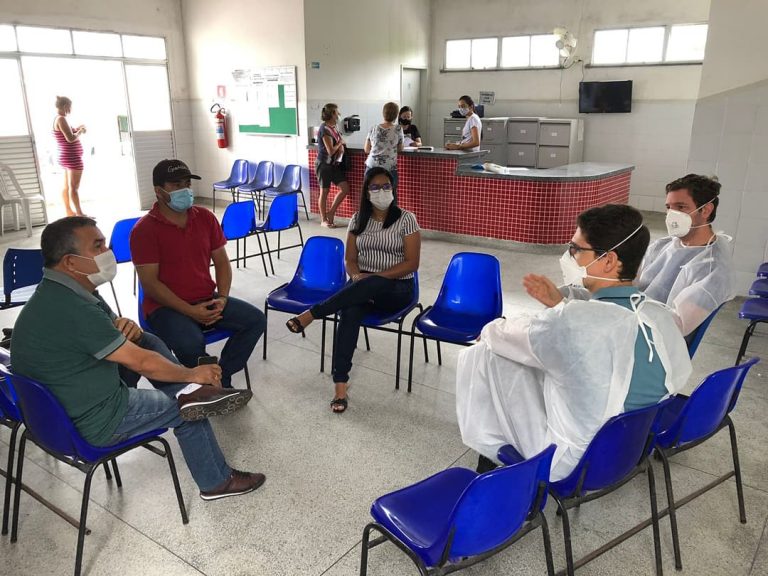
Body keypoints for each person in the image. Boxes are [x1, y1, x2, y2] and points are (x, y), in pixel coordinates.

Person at [11, 216, 266, 500]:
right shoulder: (73, 307)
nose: (107, 252)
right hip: (93, 421)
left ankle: (191, 390)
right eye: (98, 246)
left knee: (145, 339)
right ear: (71, 262)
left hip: (53, 415)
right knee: (186, 411)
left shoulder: (62, 292)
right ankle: (216, 482)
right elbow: (140, 363)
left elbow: (112, 332)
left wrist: (127, 326)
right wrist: (191, 373)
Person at [456, 205, 692, 480]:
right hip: (629, 450)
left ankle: (492, 463)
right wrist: (561, 306)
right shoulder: (661, 315)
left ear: (608, 260)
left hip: (574, 464)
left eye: (576, 249)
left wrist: (491, 329)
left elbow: (503, 334)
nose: (569, 256)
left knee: (486, 354)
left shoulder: (572, 322)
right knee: (540, 362)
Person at [529, 174, 735, 339]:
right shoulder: (664, 246)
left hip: (649, 341)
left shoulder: (713, 268)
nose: (672, 215)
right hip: (629, 319)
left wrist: (592, 313)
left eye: (681, 207)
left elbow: (675, 326)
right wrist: (573, 294)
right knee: (562, 304)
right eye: (668, 208)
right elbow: (624, 285)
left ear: (705, 210)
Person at [284, 167, 421, 413]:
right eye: (375, 187)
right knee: (350, 312)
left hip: (397, 288)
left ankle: (312, 314)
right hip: (362, 286)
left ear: (393, 189)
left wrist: (373, 278)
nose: (381, 191)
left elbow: (412, 263)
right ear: (367, 192)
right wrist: (357, 277)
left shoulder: (406, 219)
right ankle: (340, 386)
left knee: (371, 284)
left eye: (386, 186)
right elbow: (350, 259)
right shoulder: (358, 219)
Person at [130, 159, 266, 389]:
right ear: (159, 191)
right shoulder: (144, 230)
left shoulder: (204, 218)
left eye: (187, 184)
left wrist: (222, 298)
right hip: (166, 308)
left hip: (206, 298)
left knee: (255, 320)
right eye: (176, 185)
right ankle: (207, 386)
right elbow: (150, 284)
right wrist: (190, 311)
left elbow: (222, 262)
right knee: (190, 343)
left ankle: (220, 378)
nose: (184, 190)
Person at [316, 103, 350, 228]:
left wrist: (341, 143)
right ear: (332, 114)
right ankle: (323, 220)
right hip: (324, 165)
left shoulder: (334, 127)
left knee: (345, 188)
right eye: (337, 112)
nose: (339, 114)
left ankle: (331, 213)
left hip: (334, 165)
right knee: (324, 191)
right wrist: (340, 143)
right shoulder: (325, 130)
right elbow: (330, 151)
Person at [53, 96, 86, 217]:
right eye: (70, 107)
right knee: (74, 187)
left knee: (67, 186)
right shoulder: (62, 119)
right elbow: (70, 138)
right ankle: (80, 214)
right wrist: (80, 131)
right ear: (65, 106)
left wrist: (76, 129)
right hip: (72, 158)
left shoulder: (58, 119)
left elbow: (67, 134)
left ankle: (69, 211)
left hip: (66, 156)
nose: (71, 109)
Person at [364, 102, 404, 196]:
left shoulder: (373, 128)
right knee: (390, 196)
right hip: (388, 167)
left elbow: (366, 149)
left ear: (383, 113)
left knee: (370, 196)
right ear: (396, 115)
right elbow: (400, 148)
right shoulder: (398, 129)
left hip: (372, 166)